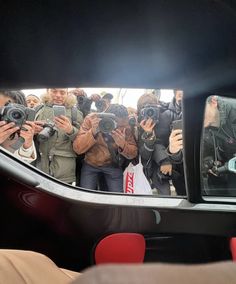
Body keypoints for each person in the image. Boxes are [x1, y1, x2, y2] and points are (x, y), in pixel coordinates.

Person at [73, 104, 137, 192]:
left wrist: (123, 145)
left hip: (113, 164)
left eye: (122, 126)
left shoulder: (127, 125)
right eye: (117, 125)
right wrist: (92, 131)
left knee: (119, 197)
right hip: (91, 163)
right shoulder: (92, 119)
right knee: (85, 195)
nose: (120, 129)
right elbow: (78, 148)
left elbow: (133, 153)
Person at [34, 88, 83, 184]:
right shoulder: (38, 109)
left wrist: (70, 130)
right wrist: (33, 131)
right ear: (48, 92)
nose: (58, 95)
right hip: (39, 166)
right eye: (54, 91)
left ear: (67, 94)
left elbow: (83, 141)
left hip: (64, 169)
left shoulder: (75, 113)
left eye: (62, 92)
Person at [137, 93, 172, 195]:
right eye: (145, 108)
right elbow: (144, 154)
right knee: (141, 196)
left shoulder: (165, 119)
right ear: (140, 110)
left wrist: (165, 161)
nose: (150, 112)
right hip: (142, 166)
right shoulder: (136, 122)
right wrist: (148, 133)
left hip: (160, 167)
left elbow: (169, 144)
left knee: (166, 196)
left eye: (152, 107)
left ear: (158, 106)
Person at [202, 95, 236, 196]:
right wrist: (210, 160)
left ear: (213, 102)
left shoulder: (234, 110)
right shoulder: (206, 127)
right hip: (229, 170)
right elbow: (206, 148)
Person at [0, 90, 37, 163]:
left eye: (7, 109)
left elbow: (21, 165)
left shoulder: (20, 133)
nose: (1, 113)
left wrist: (27, 145)